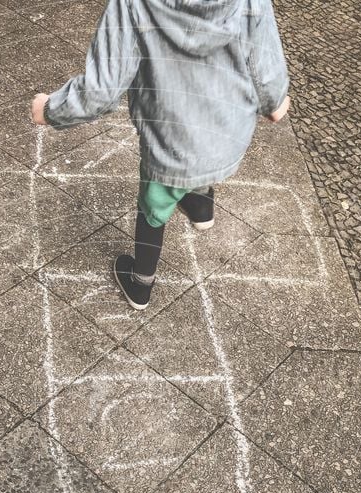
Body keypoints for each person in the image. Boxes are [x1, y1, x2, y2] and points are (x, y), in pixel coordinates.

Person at [31, 0, 290, 310]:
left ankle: (140, 284)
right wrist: (274, 102)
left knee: (154, 206)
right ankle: (200, 209)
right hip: (226, 130)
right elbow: (266, 64)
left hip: (169, 137)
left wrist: (51, 109)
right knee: (201, 148)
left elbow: (102, 88)